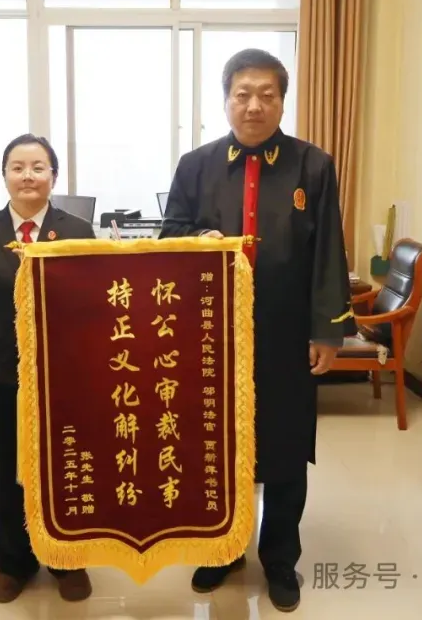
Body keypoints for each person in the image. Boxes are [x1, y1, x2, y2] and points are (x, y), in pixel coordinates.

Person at [159, 49, 356, 613]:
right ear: (225, 100)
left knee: (285, 446)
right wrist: (194, 241)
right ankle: (222, 548)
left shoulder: (312, 165)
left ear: (282, 102)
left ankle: (280, 559)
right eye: (242, 94)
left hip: (286, 333)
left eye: (267, 95)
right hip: (211, 335)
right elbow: (169, 238)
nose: (254, 105)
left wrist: (327, 331)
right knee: (216, 444)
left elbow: (327, 250)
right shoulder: (195, 166)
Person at [0, 134, 96, 604]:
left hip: (64, 377)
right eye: (18, 167)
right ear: (5, 176)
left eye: (38, 167)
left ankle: (67, 560)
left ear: (54, 175)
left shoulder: (78, 233)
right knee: (8, 469)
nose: (27, 176)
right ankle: (14, 562)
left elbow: (94, 310)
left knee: (65, 467)